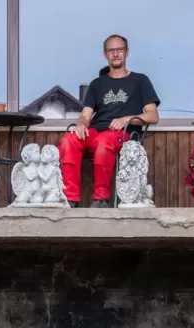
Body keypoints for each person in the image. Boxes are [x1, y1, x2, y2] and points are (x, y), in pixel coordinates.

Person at [57, 34, 160, 208]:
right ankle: (70, 199)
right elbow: (86, 115)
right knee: (68, 140)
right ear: (105, 55)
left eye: (119, 50)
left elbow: (153, 116)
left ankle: (101, 199)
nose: (116, 54)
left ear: (127, 52)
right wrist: (81, 123)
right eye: (111, 51)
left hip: (124, 134)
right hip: (97, 131)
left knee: (104, 142)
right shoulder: (97, 84)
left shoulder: (140, 80)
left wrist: (126, 119)